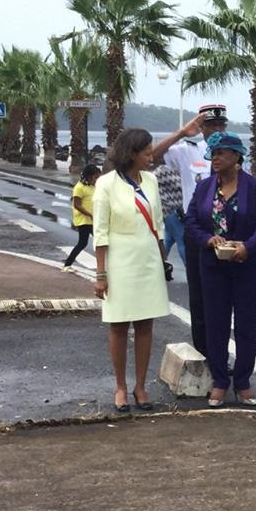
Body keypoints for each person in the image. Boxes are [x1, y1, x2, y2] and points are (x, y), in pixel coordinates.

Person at [185, 131, 256, 407]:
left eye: (222, 153)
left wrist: (248, 246)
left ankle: (244, 381)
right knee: (216, 324)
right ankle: (220, 381)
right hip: (213, 266)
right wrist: (208, 239)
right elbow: (191, 222)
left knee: (246, 324)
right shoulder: (204, 187)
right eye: (213, 153)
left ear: (237, 156)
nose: (216, 158)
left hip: (246, 266)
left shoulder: (255, 188)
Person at [93, 129, 170, 413]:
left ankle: (140, 385)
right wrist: (100, 275)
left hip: (148, 257)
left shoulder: (150, 180)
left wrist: (163, 260)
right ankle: (121, 387)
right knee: (119, 324)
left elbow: (158, 223)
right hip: (120, 259)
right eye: (147, 153)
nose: (152, 157)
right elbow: (100, 231)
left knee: (146, 324)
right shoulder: (106, 184)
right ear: (131, 154)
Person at [152, 103, 228, 359]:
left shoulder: (232, 152)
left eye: (221, 125)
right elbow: (152, 156)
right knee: (199, 296)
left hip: (226, 232)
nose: (216, 130)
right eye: (210, 125)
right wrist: (182, 133)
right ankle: (204, 352)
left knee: (223, 297)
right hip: (196, 230)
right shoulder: (186, 151)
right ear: (202, 127)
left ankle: (221, 352)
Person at [62, 164, 101, 272]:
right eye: (95, 177)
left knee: (92, 242)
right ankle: (67, 265)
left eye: (98, 177)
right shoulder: (79, 187)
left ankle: (67, 264)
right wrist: (90, 214)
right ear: (88, 176)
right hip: (84, 220)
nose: (96, 179)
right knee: (89, 242)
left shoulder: (93, 186)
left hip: (93, 219)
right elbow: (77, 205)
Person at [154, 161, 186, 265]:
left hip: (176, 210)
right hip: (170, 210)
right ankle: (192, 271)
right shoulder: (161, 171)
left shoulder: (177, 168)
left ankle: (158, 265)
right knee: (182, 240)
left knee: (169, 239)